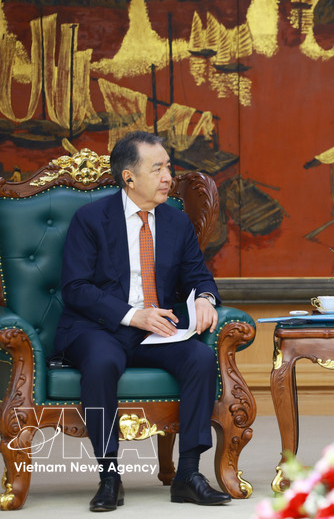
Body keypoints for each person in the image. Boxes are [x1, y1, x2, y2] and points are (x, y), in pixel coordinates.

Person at [54, 131, 230, 511]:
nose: (168, 177)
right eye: (158, 169)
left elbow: (199, 276)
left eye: (168, 167)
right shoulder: (91, 219)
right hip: (100, 327)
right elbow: (76, 289)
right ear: (129, 177)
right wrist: (135, 315)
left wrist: (204, 299)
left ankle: (188, 475)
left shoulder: (176, 222)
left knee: (200, 359)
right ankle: (109, 477)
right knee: (101, 363)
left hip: (156, 330)